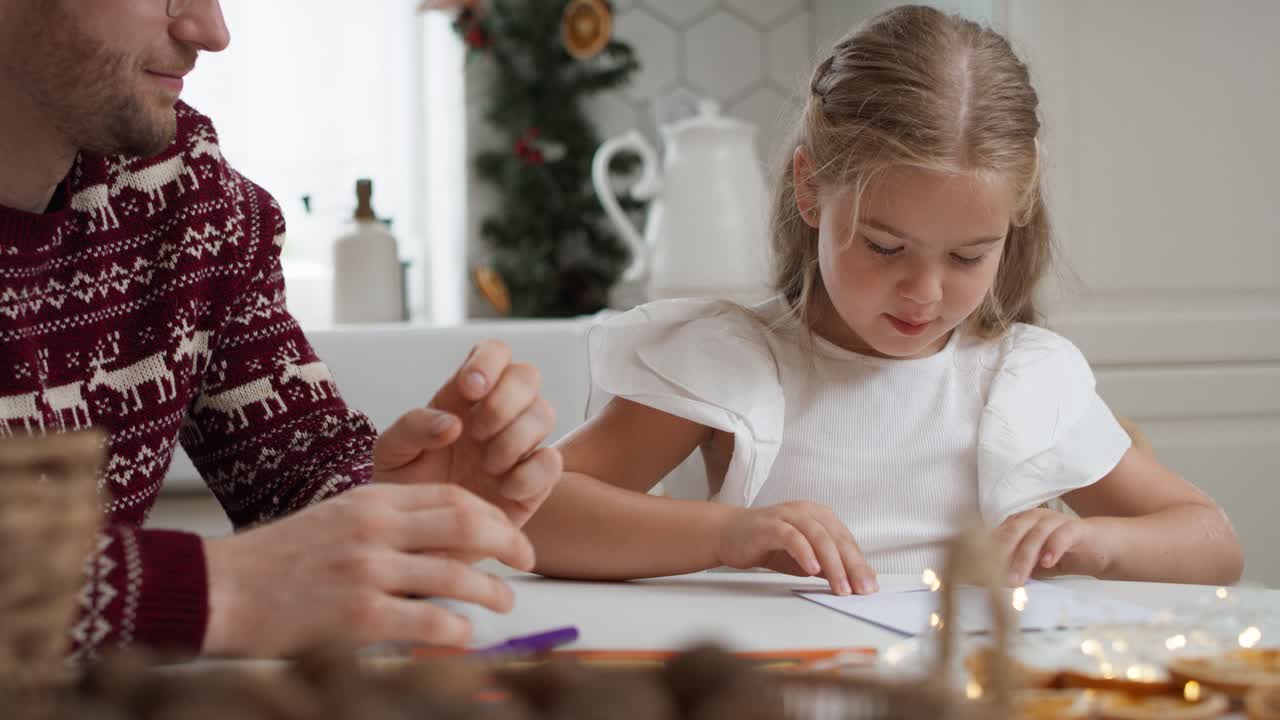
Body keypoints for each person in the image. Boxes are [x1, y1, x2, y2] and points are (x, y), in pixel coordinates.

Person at [522, 5, 1244, 595]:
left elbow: (1213, 545)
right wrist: (725, 536)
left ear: (1013, 220)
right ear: (810, 190)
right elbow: (533, 515)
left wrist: (1098, 540)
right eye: (884, 247)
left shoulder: (1020, 379)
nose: (924, 294)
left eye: (968, 256)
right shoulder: (735, 362)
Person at [0, 0, 562, 659]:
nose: (210, 31)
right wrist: (212, 590)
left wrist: (399, 511)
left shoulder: (183, 191)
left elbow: (299, 470)